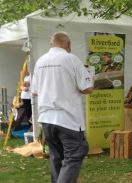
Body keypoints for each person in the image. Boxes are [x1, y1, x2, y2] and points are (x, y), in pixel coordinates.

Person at [31, 31, 93, 183]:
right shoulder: (71, 59)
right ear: (69, 44)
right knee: (74, 156)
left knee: (56, 157)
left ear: (51, 44)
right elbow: (87, 89)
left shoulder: (40, 61)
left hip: (47, 118)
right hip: (68, 119)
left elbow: (35, 91)